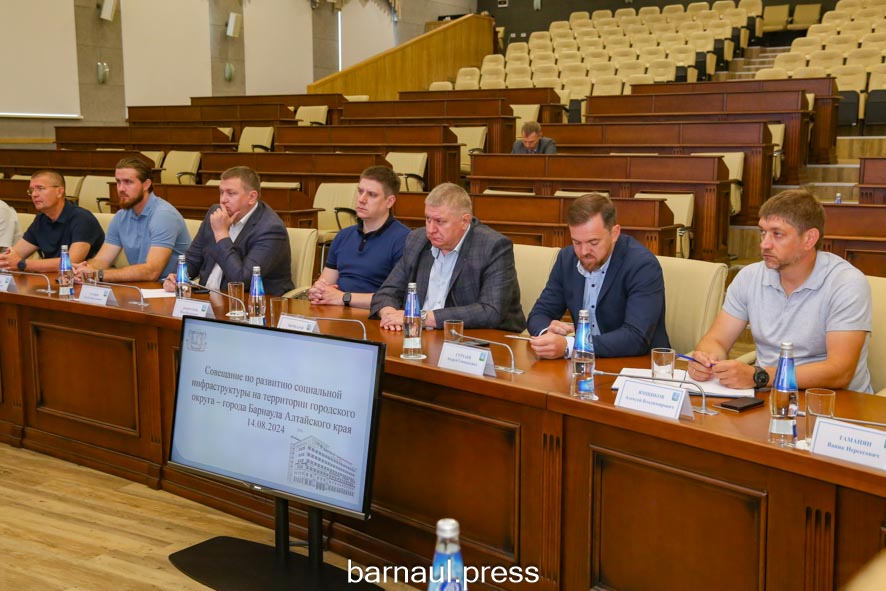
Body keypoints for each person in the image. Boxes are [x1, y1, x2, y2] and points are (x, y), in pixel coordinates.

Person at [690, 189, 872, 393]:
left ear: (809, 239)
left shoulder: (846, 283)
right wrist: (706, 360)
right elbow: (716, 340)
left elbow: (839, 372)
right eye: (762, 232)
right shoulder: (749, 277)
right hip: (767, 393)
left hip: (833, 400)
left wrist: (760, 376)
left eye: (777, 234)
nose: (764, 244)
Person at [527, 193, 669, 358]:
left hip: (637, 364)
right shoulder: (567, 259)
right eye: (576, 242)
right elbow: (538, 314)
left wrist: (572, 346)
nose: (583, 252)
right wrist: (547, 333)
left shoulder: (642, 265)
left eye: (593, 243)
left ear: (614, 233)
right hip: (584, 365)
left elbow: (636, 337)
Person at [370, 182, 525, 333]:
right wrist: (389, 314)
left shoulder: (492, 247)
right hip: (420, 336)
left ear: (464, 221)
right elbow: (386, 292)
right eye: (428, 219)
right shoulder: (417, 240)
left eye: (440, 221)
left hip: (477, 340)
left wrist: (420, 317)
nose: (431, 229)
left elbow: (491, 311)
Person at [161, 166, 293, 295]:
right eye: (221, 192)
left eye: (231, 193)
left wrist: (221, 234)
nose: (223, 200)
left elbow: (242, 280)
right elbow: (192, 258)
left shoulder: (270, 229)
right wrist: (176, 276)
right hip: (206, 298)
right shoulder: (215, 213)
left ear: (252, 197)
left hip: (249, 303)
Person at [73, 157, 191, 283]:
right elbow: (102, 260)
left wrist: (98, 274)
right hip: (141, 287)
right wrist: (84, 269)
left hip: (171, 288)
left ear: (146, 184)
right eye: (118, 182)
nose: (121, 189)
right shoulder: (121, 216)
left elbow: (152, 272)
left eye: (128, 182)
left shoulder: (164, 215)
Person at [308, 166, 409, 308]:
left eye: (372, 195)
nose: (362, 199)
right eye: (360, 191)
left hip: (374, 316)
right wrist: (317, 291)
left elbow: (397, 298)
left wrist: (344, 297)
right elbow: (326, 283)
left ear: (389, 201)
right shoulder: (343, 236)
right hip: (335, 311)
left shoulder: (404, 240)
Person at [0, 171, 103, 273]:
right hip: (52, 278)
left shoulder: (82, 218)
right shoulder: (41, 219)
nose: (34, 194)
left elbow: (70, 262)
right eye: (31, 190)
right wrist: (7, 259)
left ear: (59, 192)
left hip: (83, 280)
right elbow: (16, 254)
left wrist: (22, 264)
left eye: (40, 188)